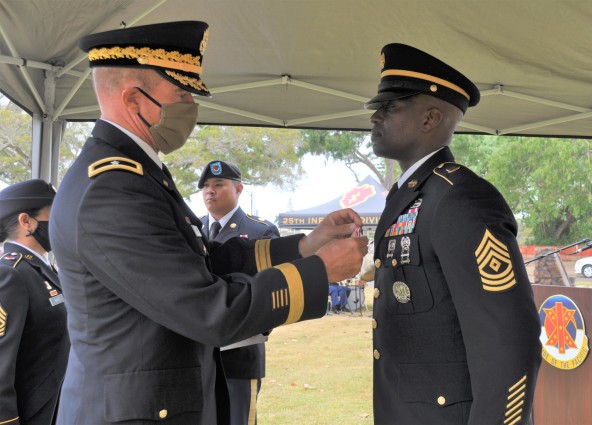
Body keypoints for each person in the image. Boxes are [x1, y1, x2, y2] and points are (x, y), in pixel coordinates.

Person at [49, 21, 368, 424]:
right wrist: (319, 271)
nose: (191, 107)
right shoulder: (113, 190)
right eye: (181, 94)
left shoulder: (138, 174)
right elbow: (208, 310)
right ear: (133, 99)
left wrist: (308, 245)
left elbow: (205, 261)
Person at [365, 43, 541, 424]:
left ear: (430, 119)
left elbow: (508, 339)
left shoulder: (460, 199)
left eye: (390, 107)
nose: (376, 116)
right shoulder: (410, 197)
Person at [198, 159, 279, 425]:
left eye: (219, 184)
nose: (210, 191)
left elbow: (271, 291)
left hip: (239, 356)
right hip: (197, 356)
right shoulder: (192, 230)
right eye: (206, 186)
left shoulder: (260, 231)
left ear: (239, 189)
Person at [0, 179, 70, 425]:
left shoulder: (42, 268)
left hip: (56, 409)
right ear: (26, 221)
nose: (60, 222)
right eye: (54, 215)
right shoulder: (11, 273)